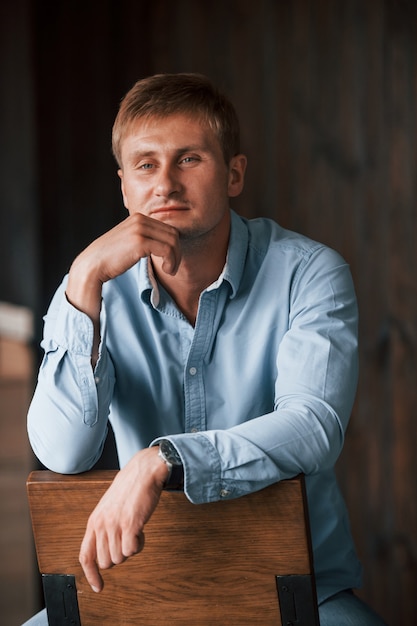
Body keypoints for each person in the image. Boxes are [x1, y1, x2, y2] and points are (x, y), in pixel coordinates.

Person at [26, 73, 386, 625]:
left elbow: (313, 424)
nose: (165, 184)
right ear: (125, 188)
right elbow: (63, 451)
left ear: (234, 173)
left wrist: (164, 459)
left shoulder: (310, 274)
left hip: (300, 598)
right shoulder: (91, 290)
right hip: (137, 594)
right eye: (146, 165)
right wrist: (84, 277)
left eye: (189, 159)